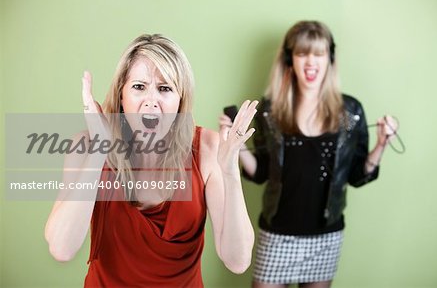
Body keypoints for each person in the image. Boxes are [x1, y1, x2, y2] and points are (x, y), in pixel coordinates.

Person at [45, 34, 257, 287]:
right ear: (121, 95)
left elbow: (238, 261)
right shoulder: (87, 146)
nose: (151, 101)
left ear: (180, 100)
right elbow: (61, 249)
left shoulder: (207, 147)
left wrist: (230, 172)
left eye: (164, 88)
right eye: (139, 86)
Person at [219, 21, 398, 288]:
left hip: (325, 237)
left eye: (319, 54)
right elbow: (260, 173)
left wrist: (382, 144)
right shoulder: (271, 111)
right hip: (277, 234)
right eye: (303, 53)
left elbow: (358, 176)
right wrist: (237, 143)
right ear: (290, 59)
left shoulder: (351, 111)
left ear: (330, 59)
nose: (311, 62)